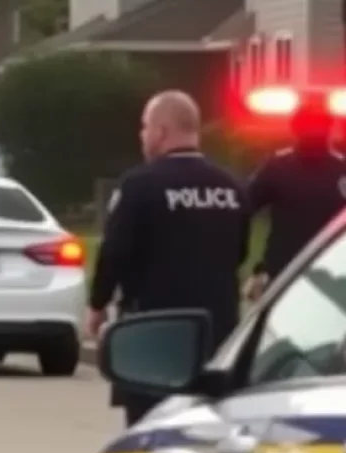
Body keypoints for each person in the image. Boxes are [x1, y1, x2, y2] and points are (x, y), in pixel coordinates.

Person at [85, 91, 251, 426]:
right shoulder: (231, 187)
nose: (142, 135)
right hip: (218, 332)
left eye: (145, 127)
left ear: (162, 130)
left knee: (149, 431)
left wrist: (97, 304)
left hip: (154, 333)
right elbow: (240, 252)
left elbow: (115, 251)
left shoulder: (140, 186)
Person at [243, 100, 346, 301]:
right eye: (309, 125)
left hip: (334, 276)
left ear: (329, 127)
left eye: (320, 125)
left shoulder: (342, 169)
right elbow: (244, 209)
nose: (315, 131)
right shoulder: (277, 166)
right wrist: (259, 269)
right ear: (296, 128)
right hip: (284, 274)